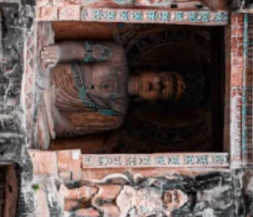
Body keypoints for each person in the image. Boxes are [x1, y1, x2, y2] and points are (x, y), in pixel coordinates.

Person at [39, 38, 195, 141]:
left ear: (154, 102)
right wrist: (59, 52)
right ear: (153, 69)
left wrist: (51, 106)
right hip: (45, 67)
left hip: (43, 104)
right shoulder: (116, 56)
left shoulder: (116, 115)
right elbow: (78, 51)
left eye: (160, 92)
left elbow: (66, 129)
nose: (154, 86)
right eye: (161, 80)